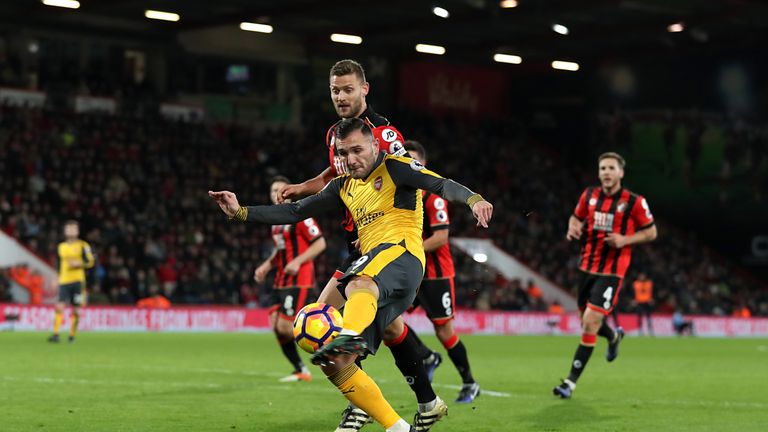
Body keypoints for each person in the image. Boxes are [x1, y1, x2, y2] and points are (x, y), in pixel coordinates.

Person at [210, 117, 493, 432]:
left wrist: (474, 199)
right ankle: (398, 426)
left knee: (360, 283)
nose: (351, 159)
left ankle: (350, 336)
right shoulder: (342, 185)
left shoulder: (396, 167)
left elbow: (441, 184)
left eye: (357, 150)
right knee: (330, 354)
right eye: (344, 154)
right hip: (370, 261)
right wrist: (241, 212)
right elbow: (295, 211)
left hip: (402, 255)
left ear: (374, 145)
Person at [277, 59, 443, 431]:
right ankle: (428, 400)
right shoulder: (336, 132)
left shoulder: (383, 133)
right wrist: (305, 187)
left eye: (348, 89)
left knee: (324, 319)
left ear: (364, 89)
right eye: (335, 90)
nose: (341, 96)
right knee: (388, 327)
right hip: (359, 240)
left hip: (386, 244)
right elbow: (335, 172)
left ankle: (360, 406)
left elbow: (405, 177)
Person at [553, 152, 657, 399]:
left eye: (611, 168)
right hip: (586, 268)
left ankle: (570, 382)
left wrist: (625, 239)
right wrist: (572, 227)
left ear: (621, 173)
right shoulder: (588, 196)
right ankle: (613, 336)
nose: (606, 172)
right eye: (602, 168)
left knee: (589, 322)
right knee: (589, 322)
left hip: (612, 271)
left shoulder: (634, 202)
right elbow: (575, 218)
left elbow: (651, 232)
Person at [403, 140, 480, 403]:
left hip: (435, 274)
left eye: (412, 161)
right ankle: (427, 356)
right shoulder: (398, 195)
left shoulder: (432, 198)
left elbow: (441, 238)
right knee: (386, 316)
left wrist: (408, 250)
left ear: (423, 166)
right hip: (411, 271)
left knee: (445, 332)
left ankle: (470, 382)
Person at [254, 176, 327, 383]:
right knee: (276, 324)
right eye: (272, 190)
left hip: (299, 279)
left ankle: (330, 349)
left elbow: (320, 243)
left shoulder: (302, 215)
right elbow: (280, 250)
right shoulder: (276, 223)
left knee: (286, 327)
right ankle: (301, 369)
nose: (275, 193)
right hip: (280, 279)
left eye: (279, 189)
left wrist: (297, 262)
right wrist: (267, 266)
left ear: (287, 191)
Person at [48, 220, 95, 343]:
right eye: (68, 228)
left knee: (76, 309)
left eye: (73, 229)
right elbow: (58, 264)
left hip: (78, 282)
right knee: (59, 306)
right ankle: (56, 334)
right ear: (65, 231)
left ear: (78, 231)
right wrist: (56, 278)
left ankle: (72, 335)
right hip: (64, 281)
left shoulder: (83, 246)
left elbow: (91, 261)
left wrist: (79, 263)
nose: (71, 231)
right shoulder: (61, 247)